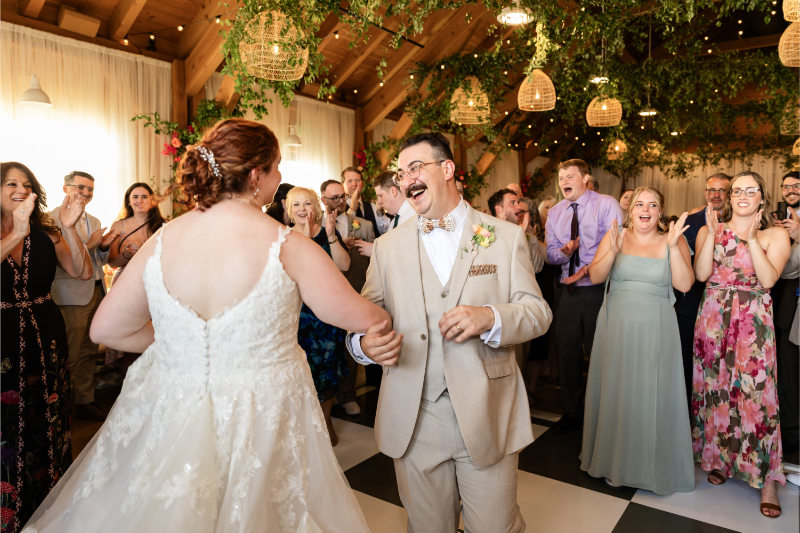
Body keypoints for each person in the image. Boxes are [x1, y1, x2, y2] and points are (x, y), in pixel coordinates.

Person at [22, 118, 388, 532]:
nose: (281, 176)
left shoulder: (162, 240)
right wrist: (384, 318)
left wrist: (182, 340)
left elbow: (106, 331)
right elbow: (361, 316)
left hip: (172, 403)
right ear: (255, 175)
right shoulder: (287, 244)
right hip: (261, 413)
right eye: (277, 167)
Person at [348, 132, 552, 533]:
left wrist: (491, 317)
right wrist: (363, 346)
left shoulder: (504, 237)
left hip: (487, 410)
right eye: (400, 173)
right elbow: (365, 318)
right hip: (415, 415)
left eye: (415, 168)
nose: (406, 180)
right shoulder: (388, 248)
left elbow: (538, 313)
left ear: (447, 169)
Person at [580, 187, 695, 494]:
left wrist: (672, 247)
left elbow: (685, 283)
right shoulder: (615, 234)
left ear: (660, 211)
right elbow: (595, 276)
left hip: (657, 327)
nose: (645, 209)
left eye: (653, 204)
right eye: (640, 204)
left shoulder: (674, 239)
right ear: (631, 210)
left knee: (652, 391)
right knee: (619, 389)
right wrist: (613, 250)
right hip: (616, 325)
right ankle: (614, 462)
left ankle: (652, 464)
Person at [693, 171, 791, 518]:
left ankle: (768, 480)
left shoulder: (775, 235)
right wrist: (710, 234)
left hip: (753, 321)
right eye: (737, 190)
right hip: (713, 317)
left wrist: (750, 240)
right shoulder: (710, 229)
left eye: (752, 190)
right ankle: (722, 458)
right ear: (730, 196)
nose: (743, 195)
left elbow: (767, 279)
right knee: (716, 388)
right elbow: (702, 274)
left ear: (762, 198)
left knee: (756, 396)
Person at [1, 162, 93, 532]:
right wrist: (16, 231)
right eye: (10, 183)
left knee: (47, 418)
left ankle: (49, 502)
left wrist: (70, 230)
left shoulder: (46, 232)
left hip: (44, 334)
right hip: (3, 336)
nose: (20, 189)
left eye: (27, 184)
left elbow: (82, 272)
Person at [545, 159, 624, 435]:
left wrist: (587, 270)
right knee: (567, 354)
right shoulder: (555, 212)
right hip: (568, 290)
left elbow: (615, 247)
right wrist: (564, 253)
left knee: (599, 354)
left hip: (599, 291)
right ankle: (571, 412)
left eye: (569, 176)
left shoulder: (605, 204)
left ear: (585, 178)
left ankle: (601, 414)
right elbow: (550, 252)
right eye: (560, 177)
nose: (564, 182)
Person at [50, 171, 119, 422]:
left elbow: (98, 261)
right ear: (65, 188)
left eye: (90, 189)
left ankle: (85, 400)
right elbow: (55, 261)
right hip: (70, 295)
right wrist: (89, 245)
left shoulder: (94, 219)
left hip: (97, 290)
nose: (86, 193)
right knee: (71, 353)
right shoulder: (50, 219)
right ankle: (63, 406)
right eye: (80, 187)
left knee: (89, 350)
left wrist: (102, 247)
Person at [287, 186, 352, 445]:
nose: (303, 209)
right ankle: (305, 425)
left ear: (316, 207)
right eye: (296, 205)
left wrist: (331, 236)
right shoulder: (284, 237)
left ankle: (325, 422)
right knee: (303, 374)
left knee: (325, 375)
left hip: (324, 316)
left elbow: (344, 265)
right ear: (289, 211)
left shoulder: (327, 233)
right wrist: (302, 237)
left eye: (307, 204)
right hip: (297, 317)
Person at [674, 173, 731, 411]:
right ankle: (688, 413)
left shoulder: (738, 221)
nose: (715, 195)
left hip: (728, 304)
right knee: (689, 361)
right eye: (711, 190)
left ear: (729, 194)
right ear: (705, 192)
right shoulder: (692, 221)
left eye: (721, 190)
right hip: (691, 302)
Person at [104, 182, 166, 377]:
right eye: (135, 197)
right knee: (130, 338)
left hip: (157, 284)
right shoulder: (118, 226)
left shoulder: (164, 225)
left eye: (144, 196)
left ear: (152, 200)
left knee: (156, 338)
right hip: (127, 284)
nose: (140, 201)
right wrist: (126, 255)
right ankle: (128, 393)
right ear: (129, 201)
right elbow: (113, 261)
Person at [772, 172, 800, 456]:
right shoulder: (779, 220)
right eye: (786, 186)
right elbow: (787, 271)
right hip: (790, 307)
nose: (790, 190)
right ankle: (791, 437)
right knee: (789, 374)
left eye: (796, 186)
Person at [355, 171, 414, 259]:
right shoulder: (395, 220)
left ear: (393, 191)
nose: (378, 202)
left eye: (380, 195)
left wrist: (376, 251)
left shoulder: (413, 215)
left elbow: (409, 253)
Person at [489, 188, 543, 274]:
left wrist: (522, 237)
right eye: (512, 203)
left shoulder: (530, 237)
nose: (519, 207)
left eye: (517, 203)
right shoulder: (486, 235)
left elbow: (537, 268)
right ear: (499, 209)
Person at [342, 166, 387, 236]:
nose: (354, 184)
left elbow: (385, 233)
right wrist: (352, 209)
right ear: (342, 185)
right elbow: (342, 232)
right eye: (350, 181)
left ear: (362, 184)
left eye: (357, 180)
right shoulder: (338, 209)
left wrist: (380, 214)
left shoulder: (373, 207)